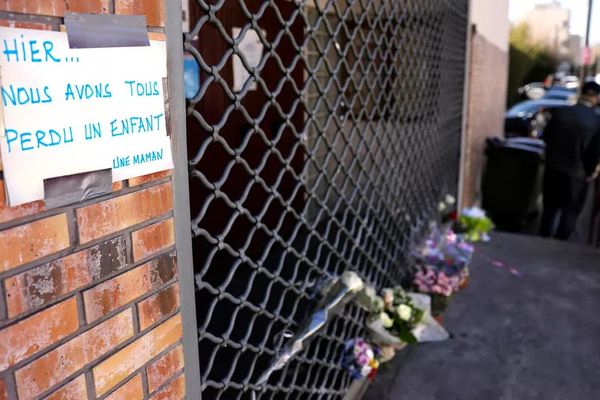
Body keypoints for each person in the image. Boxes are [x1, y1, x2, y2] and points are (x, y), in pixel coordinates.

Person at [540, 81, 600, 240]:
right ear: (596, 98)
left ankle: (543, 238)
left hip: (553, 167)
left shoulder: (561, 112)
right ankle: (561, 241)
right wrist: (589, 172)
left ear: (581, 92)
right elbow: (594, 152)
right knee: (570, 211)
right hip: (577, 174)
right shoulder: (596, 121)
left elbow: (546, 137)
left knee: (549, 207)